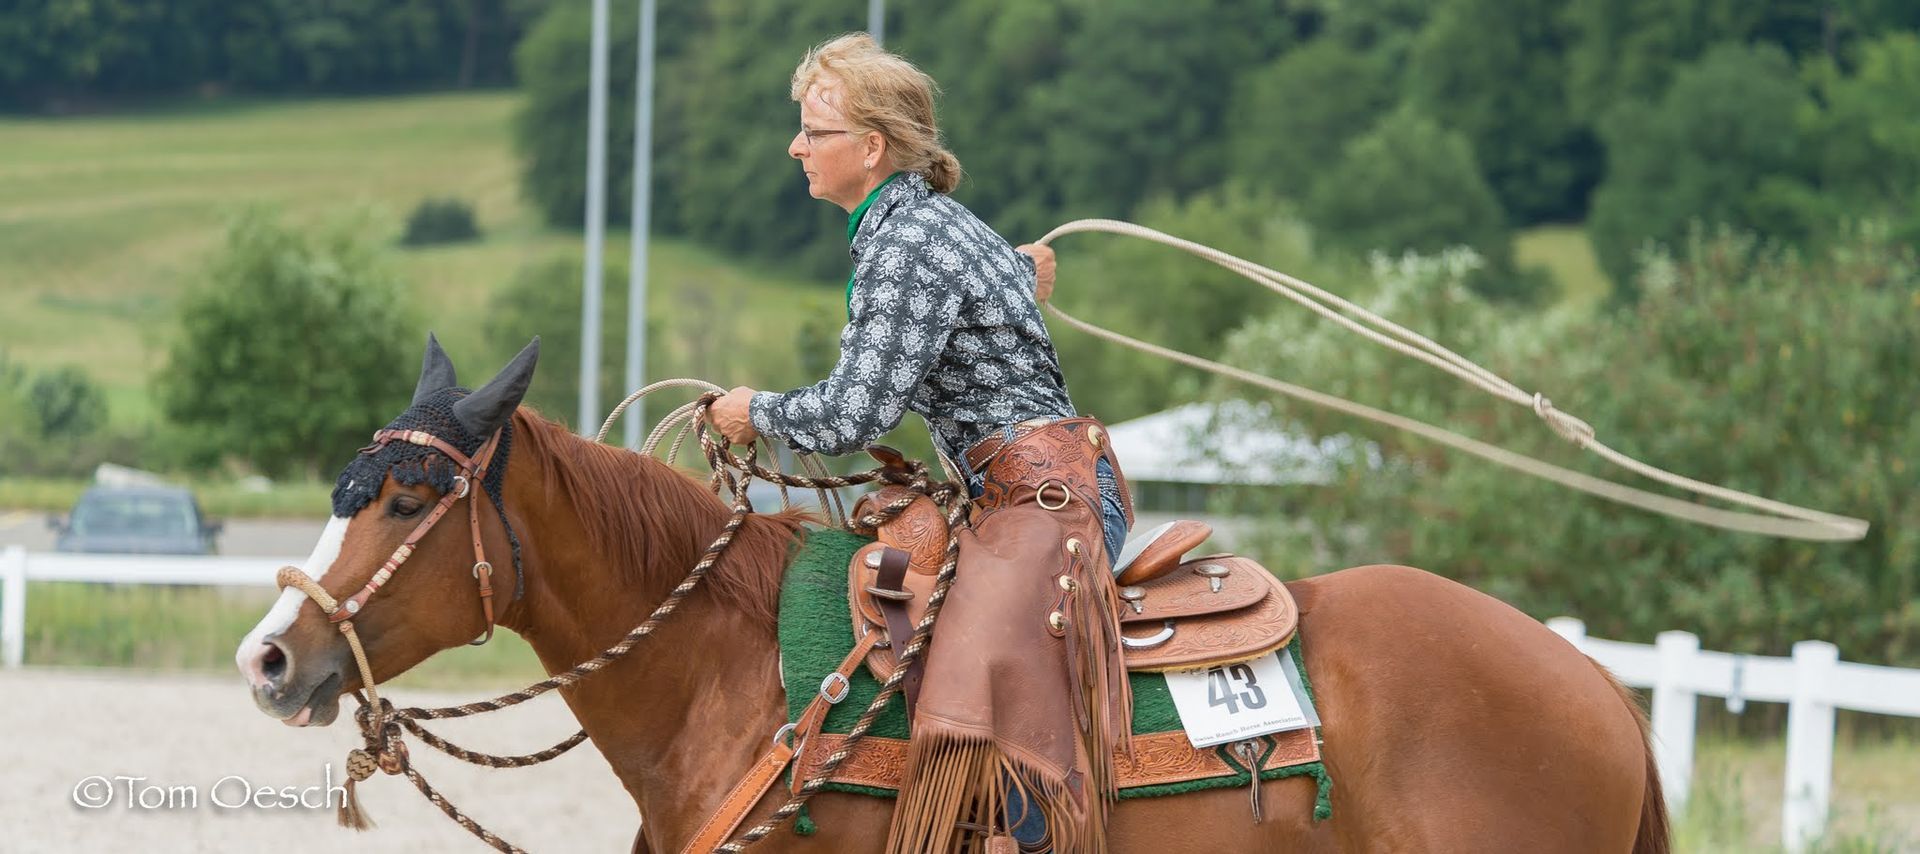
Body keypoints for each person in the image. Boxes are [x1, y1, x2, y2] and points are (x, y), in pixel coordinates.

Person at [704, 34, 1133, 854]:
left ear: (870, 147)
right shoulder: (931, 227)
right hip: (1022, 489)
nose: (797, 146)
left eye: (813, 130)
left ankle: (1033, 834)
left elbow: (853, 415)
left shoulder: (904, 244)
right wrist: (1012, 270)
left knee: (984, 687)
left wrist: (753, 411)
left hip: (1042, 500)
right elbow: (962, 305)